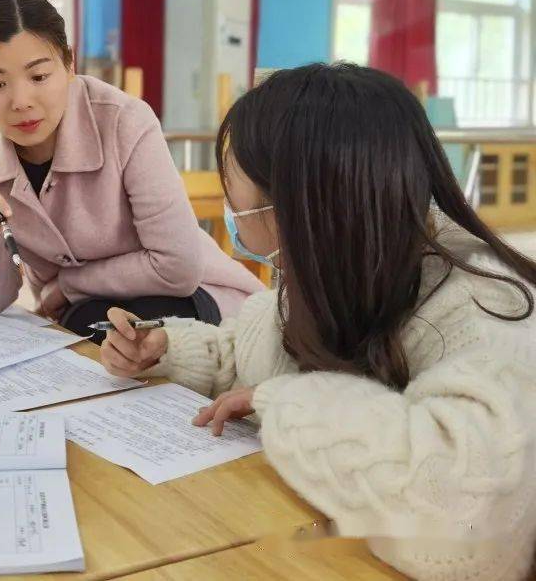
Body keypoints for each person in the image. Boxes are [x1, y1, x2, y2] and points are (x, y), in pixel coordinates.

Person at [102, 63, 536, 580]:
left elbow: (471, 527)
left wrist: (283, 404)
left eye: (235, 193)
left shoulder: (487, 312)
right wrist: (167, 349)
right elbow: (255, 351)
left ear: (297, 204)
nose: (230, 209)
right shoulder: (330, 259)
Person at [0, 0, 262, 340]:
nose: (21, 102)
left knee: (91, 328)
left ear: (69, 65)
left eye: (38, 77)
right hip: (82, 315)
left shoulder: (125, 123)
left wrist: (68, 285)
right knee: (79, 331)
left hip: (196, 299)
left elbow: (178, 268)